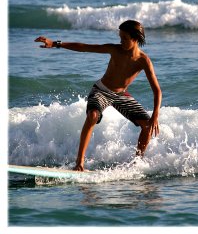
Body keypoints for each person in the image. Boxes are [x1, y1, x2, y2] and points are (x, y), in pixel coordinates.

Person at [35, 20, 162, 171]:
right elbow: (85, 47)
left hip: (121, 95)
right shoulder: (115, 49)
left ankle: (137, 163)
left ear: (135, 39)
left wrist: (155, 115)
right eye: (120, 38)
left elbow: (157, 90)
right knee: (93, 116)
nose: (121, 42)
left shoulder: (143, 60)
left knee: (147, 126)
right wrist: (56, 44)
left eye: (124, 39)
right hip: (101, 90)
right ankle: (79, 162)